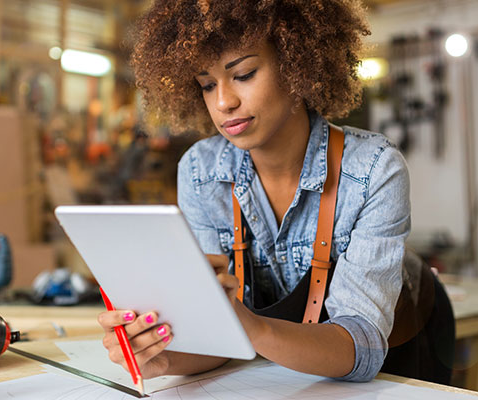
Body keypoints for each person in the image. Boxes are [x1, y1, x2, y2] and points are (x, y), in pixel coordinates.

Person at [97, 0, 454, 384]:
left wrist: (247, 326)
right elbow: (220, 340)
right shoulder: (201, 172)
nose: (223, 103)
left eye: (245, 74)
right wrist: (162, 358)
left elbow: (363, 348)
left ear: (297, 65)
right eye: (206, 84)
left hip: (405, 342)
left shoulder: (372, 170)